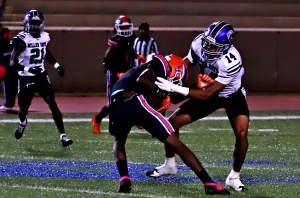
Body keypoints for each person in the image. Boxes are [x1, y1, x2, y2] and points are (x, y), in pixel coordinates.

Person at [147, 21, 249, 192]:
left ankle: (234, 176)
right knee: (171, 124)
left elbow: (208, 95)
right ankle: (170, 165)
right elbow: (186, 63)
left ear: (226, 47)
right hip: (208, 89)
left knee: (242, 134)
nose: (207, 47)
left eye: (213, 46)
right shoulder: (199, 42)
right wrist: (174, 72)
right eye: (207, 43)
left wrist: (175, 88)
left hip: (231, 94)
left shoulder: (230, 61)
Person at [108, 53, 229, 195]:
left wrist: (197, 87)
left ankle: (124, 178)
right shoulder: (160, 64)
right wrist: (159, 93)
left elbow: (175, 97)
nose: (176, 83)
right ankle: (209, 182)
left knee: (119, 140)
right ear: (175, 69)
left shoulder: (143, 71)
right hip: (135, 102)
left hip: (116, 108)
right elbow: (144, 80)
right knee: (175, 143)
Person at [10, 9, 73, 147]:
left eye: (37, 23)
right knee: (23, 109)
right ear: (26, 24)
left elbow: (46, 53)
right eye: (32, 23)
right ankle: (22, 122)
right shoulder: (21, 40)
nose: (35, 26)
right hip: (26, 77)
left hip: (41, 75)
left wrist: (57, 66)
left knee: (52, 103)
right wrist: (28, 69)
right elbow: (13, 63)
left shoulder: (45, 36)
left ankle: (63, 136)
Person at [91, 15, 146, 134]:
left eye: (127, 27)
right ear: (117, 28)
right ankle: (97, 119)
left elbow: (129, 50)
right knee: (113, 102)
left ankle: (137, 118)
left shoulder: (132, 37)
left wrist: (137, 56)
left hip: (127, 71)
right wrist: (117, 72)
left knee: (137, 94)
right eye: (123, 27)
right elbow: (106, 62)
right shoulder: (115, 41)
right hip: (114, 73)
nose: (126, 30)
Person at [0, 23, 18, 111]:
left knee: (7, 83)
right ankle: (10, 103)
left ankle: (8, 103)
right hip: (13, 63)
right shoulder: (12, 41)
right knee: (12, 84)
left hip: (5, 63)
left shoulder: (2, 41)